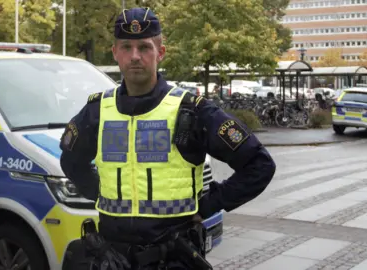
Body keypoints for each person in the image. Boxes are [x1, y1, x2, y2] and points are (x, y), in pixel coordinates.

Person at [59, 7, 276, 270]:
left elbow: (259, 165)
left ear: (160, 52)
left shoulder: (191, 110)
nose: (135, 56)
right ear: (115, 53)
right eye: (126, 47)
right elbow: (71, 162)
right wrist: (100, 194)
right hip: (112, 259)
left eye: (145, 47)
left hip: (172, 258)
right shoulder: (97, 111)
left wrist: (209, 205)